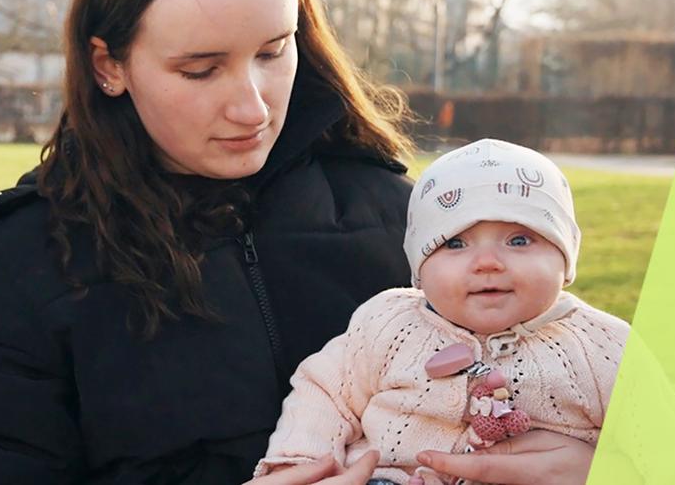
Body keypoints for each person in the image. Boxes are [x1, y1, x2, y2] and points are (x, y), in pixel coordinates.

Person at [0, 0, 600, 483]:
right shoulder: (12, 266)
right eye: (200, 69)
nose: (252, 107)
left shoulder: (409, 222)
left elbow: (572, 379)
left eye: (273, 52)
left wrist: (598, 465)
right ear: (108, 65)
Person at [256, 139, 625, 485]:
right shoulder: (387, 322)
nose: (487, 262)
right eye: (454, 242)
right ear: (419, 266)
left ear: (565, 257)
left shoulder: (603, 348)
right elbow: (325, 392)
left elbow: (664, 447)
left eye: (519, 240)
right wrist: (301, 464)